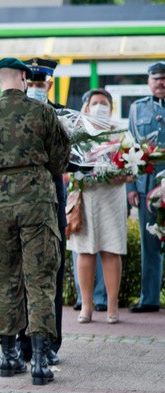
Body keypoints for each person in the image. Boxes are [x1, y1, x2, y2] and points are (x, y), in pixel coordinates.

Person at [0, 57, 70, 386]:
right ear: (25, 79)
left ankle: (8, 355)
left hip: (2, 205)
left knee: (5, 278)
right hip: (39, 203)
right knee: (40, 279)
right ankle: (39, 360)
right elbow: (59, 160)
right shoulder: (43, 112)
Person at [17, 57, 66, 366]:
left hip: (52, 205)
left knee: (52, 276)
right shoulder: (13, 115)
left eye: (40, 83)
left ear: (49, 84)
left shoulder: (62, 115)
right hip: (20, 206)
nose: (36, 88)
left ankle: (48, 343)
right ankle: (22, 344)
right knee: (19, 277)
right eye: (31, 82)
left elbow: (71, 161)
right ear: (23, 83)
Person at [67, 89, 127, 324]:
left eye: (104, 103)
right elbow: (67, 165)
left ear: (111, 108)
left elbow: (134, 165)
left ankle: (112, 306)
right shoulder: (79, 134)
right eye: (95, 102)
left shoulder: (120, 133)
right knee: (85, 250)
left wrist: (125, 173)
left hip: (112, 197)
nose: (99, 106)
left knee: (111, 250)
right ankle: (86, 305)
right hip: (87, 198)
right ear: (87, 107)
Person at [126, 61, 165, 313]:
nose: (160, 82)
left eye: (164, 78)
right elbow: (130, 148)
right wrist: (131, 186)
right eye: (156, 78)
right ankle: (149, 299)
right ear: (149, 82)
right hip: (148, 183)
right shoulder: (137, 108)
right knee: (150, 241)